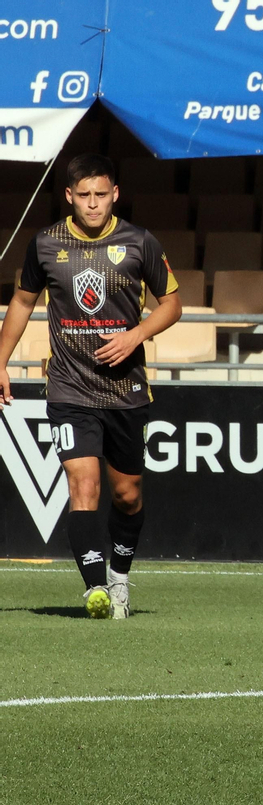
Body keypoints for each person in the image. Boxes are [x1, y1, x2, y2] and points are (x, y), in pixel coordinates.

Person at [0, 153, 182, 619]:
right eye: (84, 196)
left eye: (102, 195)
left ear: (115, 193)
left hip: (125, 390)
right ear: (69, 196)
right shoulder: (45, 244)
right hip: (68, 387)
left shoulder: (139, 241)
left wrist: (136, 335)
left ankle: (120, 575)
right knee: (82, 484)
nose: (94, 204)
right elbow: (22, 303)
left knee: (128, 493)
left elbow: (173, 304)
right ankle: (96, 589)